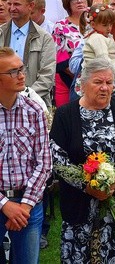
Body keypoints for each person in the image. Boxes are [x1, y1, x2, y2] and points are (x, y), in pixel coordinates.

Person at [50, 58, 115, 263]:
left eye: (109, 83)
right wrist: (88, 186)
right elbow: (57, 158)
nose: (104, 88)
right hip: (78, 207)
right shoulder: (66, 114)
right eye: (98, 82)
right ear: (82, 85)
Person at [0, 47, 52, 264]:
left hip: (28, 205)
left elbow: (44, 163)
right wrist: (4, 204)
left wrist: (24, 206)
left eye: (21, 69)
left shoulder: (34, 110)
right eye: (13, 72)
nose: (21, 75)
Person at [0, 0, 56, 107]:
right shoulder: (0, 33)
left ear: (31, 6)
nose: (12, 8)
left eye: (17, 4)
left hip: (34, 106)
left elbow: (46, 77)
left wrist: (24, 97)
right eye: (9, 4)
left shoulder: (44, 38)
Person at [53, 0, 91, 107]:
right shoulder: (60, 26)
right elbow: (59, 59)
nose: (79, 1)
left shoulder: (96, 22)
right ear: (67, 2)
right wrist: (80, 77)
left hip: (94, 79)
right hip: (67, 80)